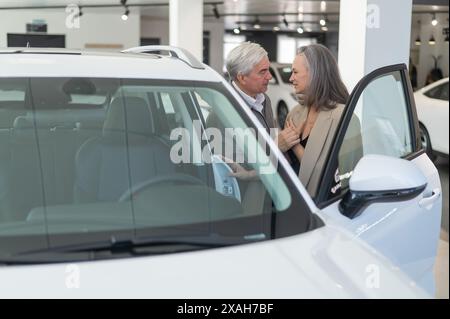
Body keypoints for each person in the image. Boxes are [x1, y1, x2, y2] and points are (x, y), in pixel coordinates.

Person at [283, 44, 362, 196]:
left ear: (314, 73)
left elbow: (342, 179)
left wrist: (296, 146)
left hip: (323, 209)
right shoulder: (295, 113)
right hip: (291, 203)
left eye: (295, 72)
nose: (291, 78)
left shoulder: (345, 119)